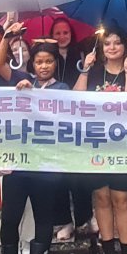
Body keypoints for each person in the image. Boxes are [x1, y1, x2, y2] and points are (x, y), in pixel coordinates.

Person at [0, 40, 68, 254]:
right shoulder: (21, 85)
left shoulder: (62, 88)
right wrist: (22, 93)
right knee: (9, 219)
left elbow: (63, 118)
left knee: (43, 219)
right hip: (18, 163)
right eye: (39, 62)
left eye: (48, 61)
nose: (44, 66)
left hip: (46, 166)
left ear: (55, 63)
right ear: (32, 65)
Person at [75, 26, 127, 254]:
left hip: (123, 143)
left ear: (125, 46)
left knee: (122, 199)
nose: (112, 47)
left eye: (117, 43)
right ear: (101, 48)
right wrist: (85, 69)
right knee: (101, 198)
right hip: (96, 143)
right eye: (107, 44)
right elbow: (76, 99)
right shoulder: (93, 72)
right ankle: (108, 251)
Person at [48, 17, 96, 242]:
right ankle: (64, 220)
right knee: (58, 175)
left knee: (80, 173)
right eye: (57, 33)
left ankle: (86, 216)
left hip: (77, 121)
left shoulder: (81, 54)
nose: (61, 37)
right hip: (52, 122)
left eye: (65, 32)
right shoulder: (46, 57)